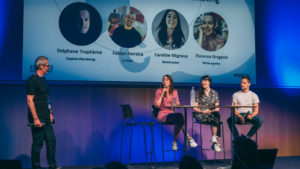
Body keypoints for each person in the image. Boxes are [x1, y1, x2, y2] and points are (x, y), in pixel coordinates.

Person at [26, 56, 57, 169]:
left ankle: (52, 166)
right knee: (38, 143)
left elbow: (47, 98)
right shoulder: (32, 81)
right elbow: (29, 100)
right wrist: (35, 118)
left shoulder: (44, 80)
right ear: (41, 66)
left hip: (46, 116)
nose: (48, 67)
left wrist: (50, 113)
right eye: (47, 65)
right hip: (37, 117)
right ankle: (36, 167)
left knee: (51, 141)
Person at [154, 74, 197, 151]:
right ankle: (188, 139)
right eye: (163, 79)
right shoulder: (159, 91)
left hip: (172, 113)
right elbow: (157, 105)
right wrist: (162, 94)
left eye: (167, 79)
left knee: (179, 119)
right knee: (180, 118)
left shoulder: (174, 92)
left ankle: (175, 142)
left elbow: (177, 103)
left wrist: (176, 103)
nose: (164, 81)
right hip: (163, 114)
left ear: (170, 82)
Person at [193, 75, 222, 152]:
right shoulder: (198, 93)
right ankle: (215, 141)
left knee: (216, 116)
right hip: (201, 114)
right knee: (216, 119)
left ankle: (214, 139)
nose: (203, 82)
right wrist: (203, 111)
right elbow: (194, 108)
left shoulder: (214, 93)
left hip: (211, 114)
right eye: (202, 81)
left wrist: (210, 111)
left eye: (205, 81)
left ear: (209, 82)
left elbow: (217, 108)